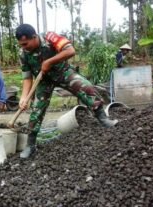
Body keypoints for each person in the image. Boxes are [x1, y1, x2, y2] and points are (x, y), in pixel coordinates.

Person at [15, 24, 118, 158]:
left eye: (25, 43)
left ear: (34, 37)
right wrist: (24, 97)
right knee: (36, 110)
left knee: (86, 87)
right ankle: (30, 145)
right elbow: (27, 77)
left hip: (62, 72)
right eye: (21, 44)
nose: (24, 47)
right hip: (43, 80)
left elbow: (70, 51)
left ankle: (103, 118)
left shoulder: (49, 37)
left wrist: (49, 62)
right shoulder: (23, 54)